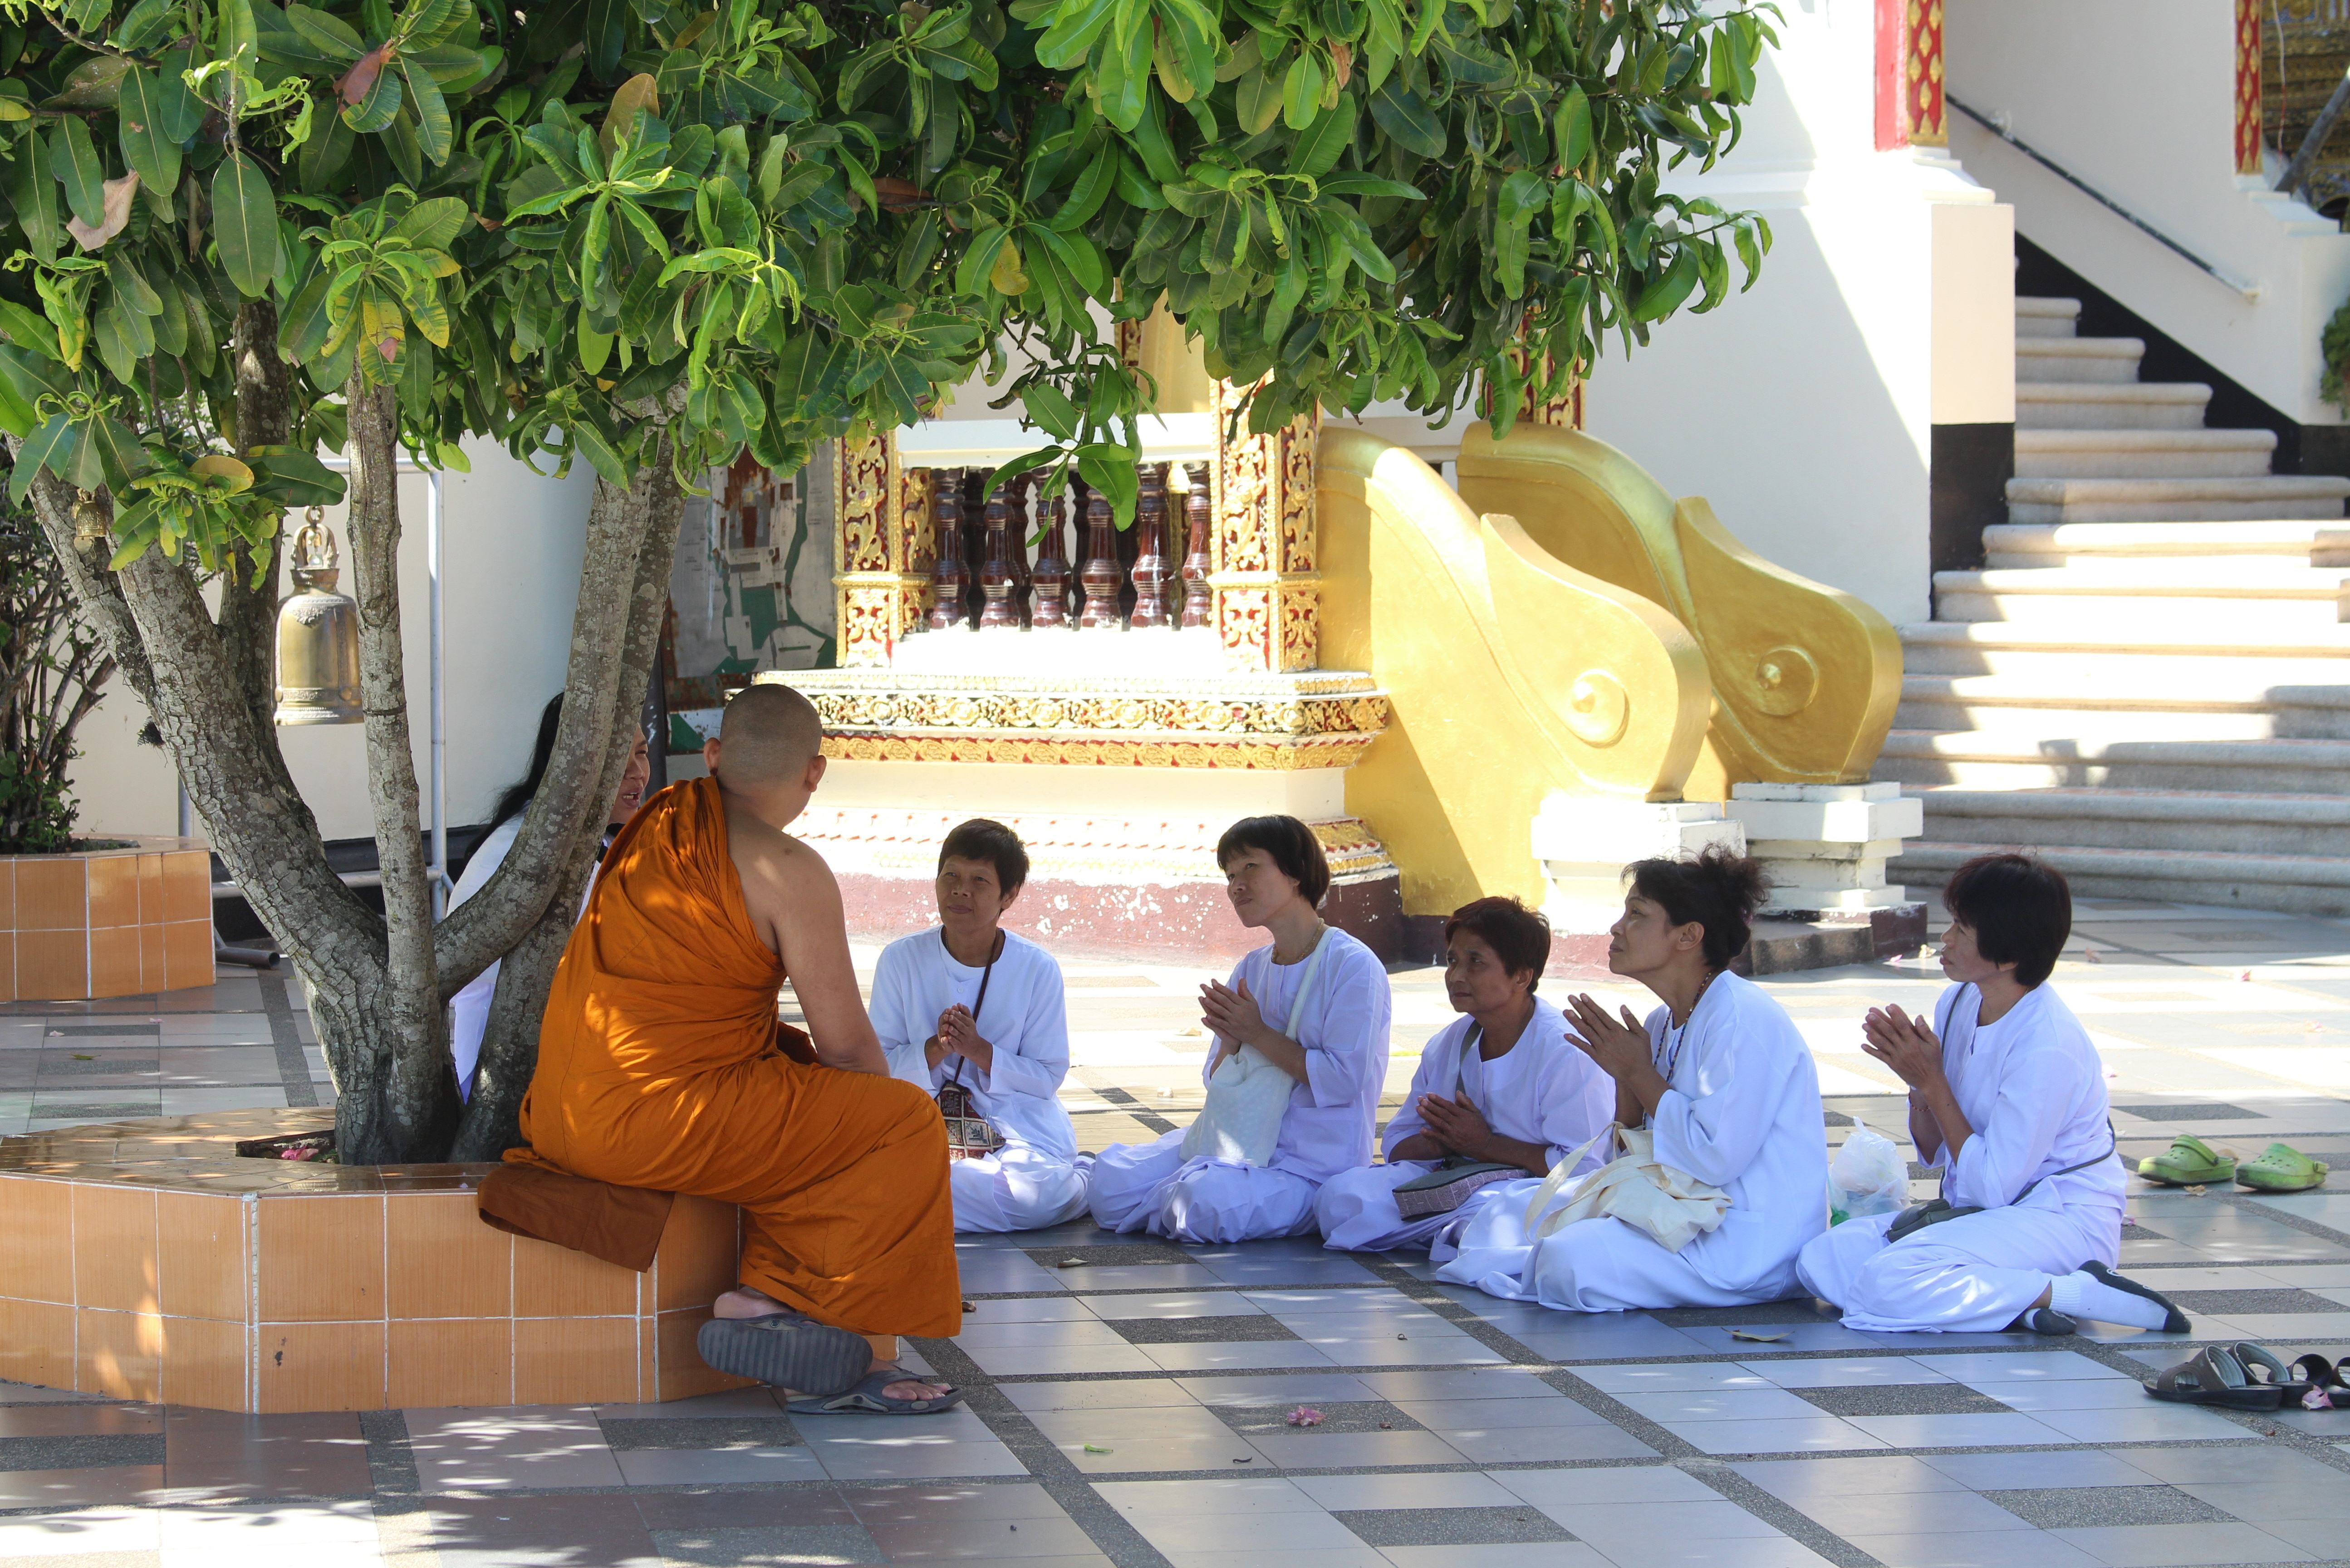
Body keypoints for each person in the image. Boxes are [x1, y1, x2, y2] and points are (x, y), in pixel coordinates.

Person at [508, 682, 964, 1414]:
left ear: (713, 756)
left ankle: (768, 1303)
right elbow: (849, 1049)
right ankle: (829, 1331)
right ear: (814, 773)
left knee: (797, 1078)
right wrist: (874, 1136)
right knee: (897, 1123)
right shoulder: (787, 868)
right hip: (651, 1121)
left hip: (562, 1112)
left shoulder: (657, 828)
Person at [1796, 854, 2186, 1336]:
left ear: (2009, 954)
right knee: (1822, 1259)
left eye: (1961, 928)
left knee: (1886, 1280)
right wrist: (1918, 1082)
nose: (1945, 938)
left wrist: (1932, 1082)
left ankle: (2080, 1292)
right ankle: (2020, 1305)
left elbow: (1994, 1186)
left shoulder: (2047, 1044)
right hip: (1987, 1214)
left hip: (2059, 1220)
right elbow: (1933, 1149)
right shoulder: (1959, 1000)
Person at [1437, 848, 1827, 1312]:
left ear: (1688, 936)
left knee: (1568, 1260)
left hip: (1744, 1241)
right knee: (1502, 1213)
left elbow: (1715, 1159)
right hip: (1679, 1211)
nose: (1616, 928)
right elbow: (1633, 1151)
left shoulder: (1743, 1019)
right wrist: (1626, 1080)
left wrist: (1638, 1072)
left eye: (1636, 914)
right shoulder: (1662, 1021)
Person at [1089, 815, 1393, 1243]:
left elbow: (1344, 1081)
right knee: (1109, 1186)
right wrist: (1231, 1042)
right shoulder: (1252, 966)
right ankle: (1175, 1194)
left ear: (1295, 871)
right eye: (1230, 875)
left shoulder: (1352, 965)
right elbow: (1217, 1080)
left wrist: (1256, 1034)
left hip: (1307, 1165)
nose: (1236, 886)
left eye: (1250, 867)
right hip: (1237, 1142)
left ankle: (1198, 1195)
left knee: (1200, 1203)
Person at [1315, 897, 1613, 1252]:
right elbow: (1396, 1144)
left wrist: (1485, 1146)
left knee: (1497, 1219)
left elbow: (1583, 1168)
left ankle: (1450, 1235)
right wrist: (1442, 1142)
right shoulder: (1446, 1045)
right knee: (1339, 1196)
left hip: (1526, 1191)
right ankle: (1452, 1236)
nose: (1455, 976)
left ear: (1521, 976)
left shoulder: (1567, 1051)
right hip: (1455, 1180)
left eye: (1476, 962)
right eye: (1452, 960)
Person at [871, 819, 1091, 1232]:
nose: (960, 891)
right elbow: (877, 1067)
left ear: (1009, 895)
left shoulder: (1036, 968)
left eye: (979, 881)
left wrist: (979, 1052)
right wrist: (935, 1049)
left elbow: (1046, 1077)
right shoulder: (901, 959)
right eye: (951, 876)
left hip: (1013, 1121)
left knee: (1031, 1198)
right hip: (918, 1116)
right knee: (875, 1180)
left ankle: (1080, 1181)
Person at [446, 695, 652, 1099]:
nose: (637, 773)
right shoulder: (525, 846)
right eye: (618, 759)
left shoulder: (599, 842)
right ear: (573, 765)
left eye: (641, 754)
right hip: (510, 1072)